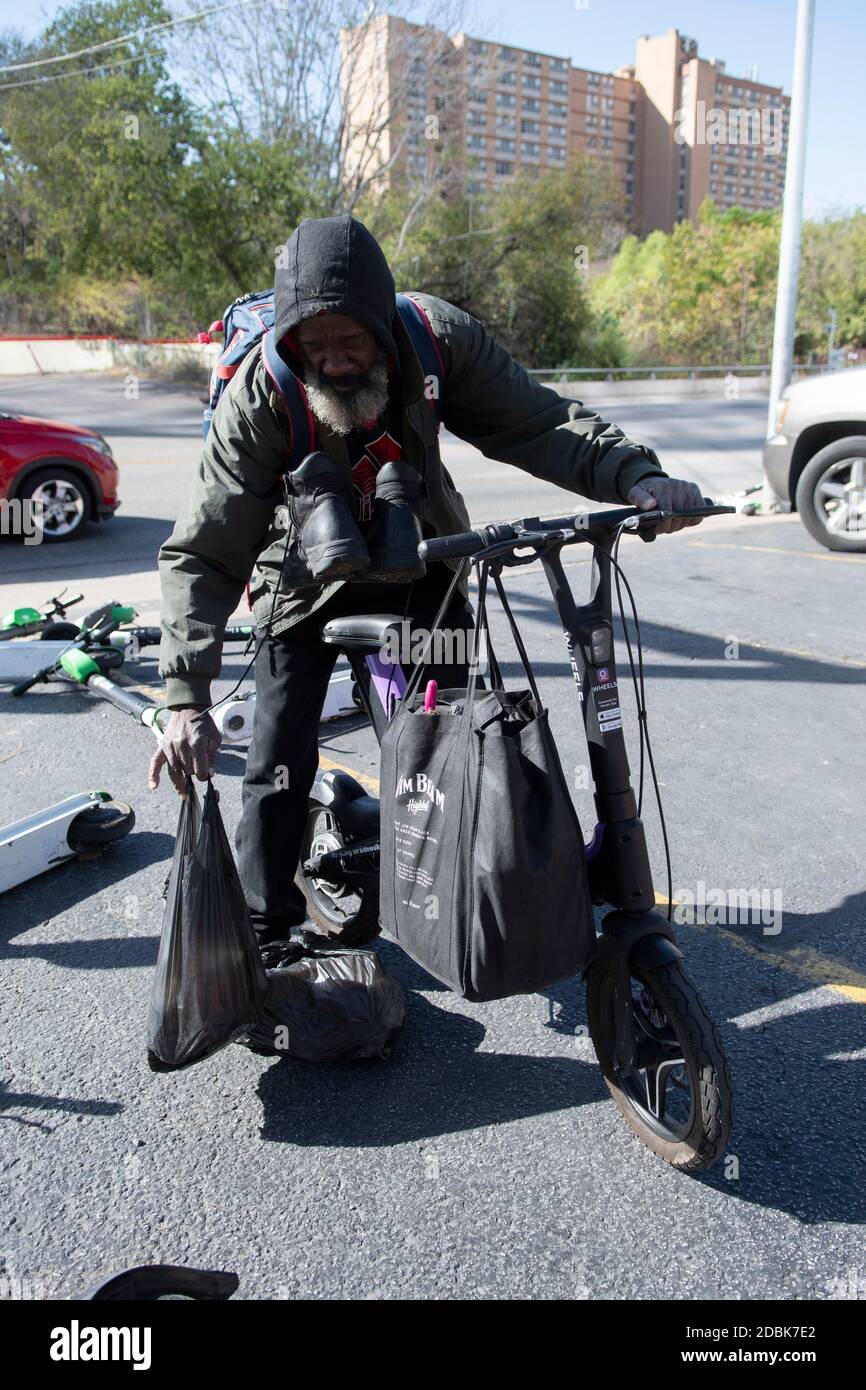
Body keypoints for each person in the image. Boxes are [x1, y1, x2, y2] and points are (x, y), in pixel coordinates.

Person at [149, 213, 705, 945]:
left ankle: (448, 902)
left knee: (445, 745)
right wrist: (186, 695)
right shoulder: (262, 392)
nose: (335, 361)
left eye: (351, 340)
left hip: (421, 563)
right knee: (277, 760)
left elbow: (539, 423)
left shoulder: (437, 339)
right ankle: (266, 931)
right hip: (300, 579)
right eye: (313, 346)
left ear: (384, 326)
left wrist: (639, 477)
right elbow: (206, 550)